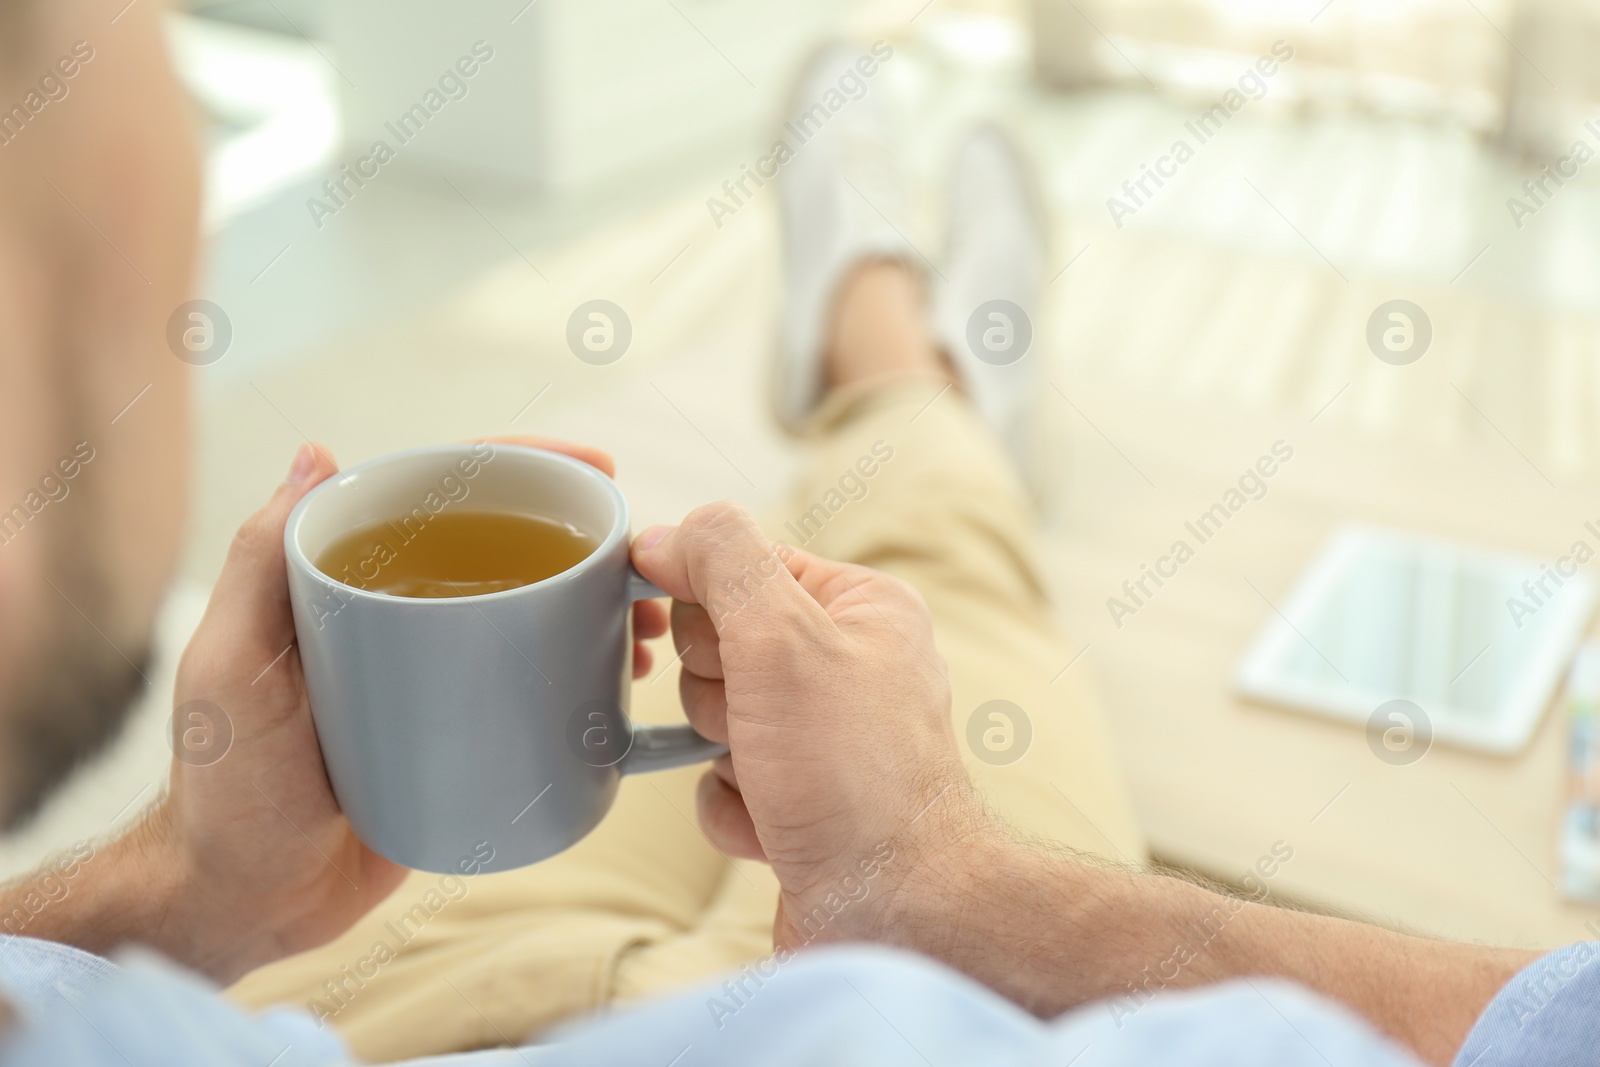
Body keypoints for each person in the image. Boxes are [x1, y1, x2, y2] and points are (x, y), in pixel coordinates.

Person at [0, 5, 1590, 1066]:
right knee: (936, 593)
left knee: (774, 707)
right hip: (932, 997)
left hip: (384, 996)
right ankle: (898, 354)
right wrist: (958, 891)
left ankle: (891, 338)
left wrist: (184, 891)